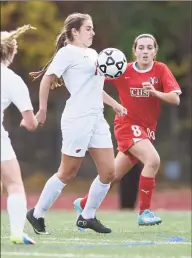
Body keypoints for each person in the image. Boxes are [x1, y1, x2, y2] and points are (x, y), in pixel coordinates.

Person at [26, 13, 127, 234]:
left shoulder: (92, 54)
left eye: (92, 28)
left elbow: (94, 87)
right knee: (68, 172)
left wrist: (114, 104)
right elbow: (47, 79)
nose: (93, 32)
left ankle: (87, 216)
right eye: (88, 28)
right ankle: (37, 213)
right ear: (75, 31)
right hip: (78, 118)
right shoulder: (66, 53)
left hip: (97, 118)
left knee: (109, 172)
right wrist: (42, 110)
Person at [74, 33, 182, 226]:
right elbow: (93, 83)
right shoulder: (122, 69)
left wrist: (155, 92)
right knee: (153, 160)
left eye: (149, 47)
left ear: (155, 51)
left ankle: (83, 203)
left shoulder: (160, 70)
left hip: (147, 131)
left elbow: (175, 98)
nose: (145, 51)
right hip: (126, 126)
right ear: (134, 51)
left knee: (112, 175)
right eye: (141, 47)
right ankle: (144, 212)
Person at [1, 25, 38, 244]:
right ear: (12, 53)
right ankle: (16, 233)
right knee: (14, 184)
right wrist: (27, 121)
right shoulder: (12, 79)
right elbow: (31, 123)